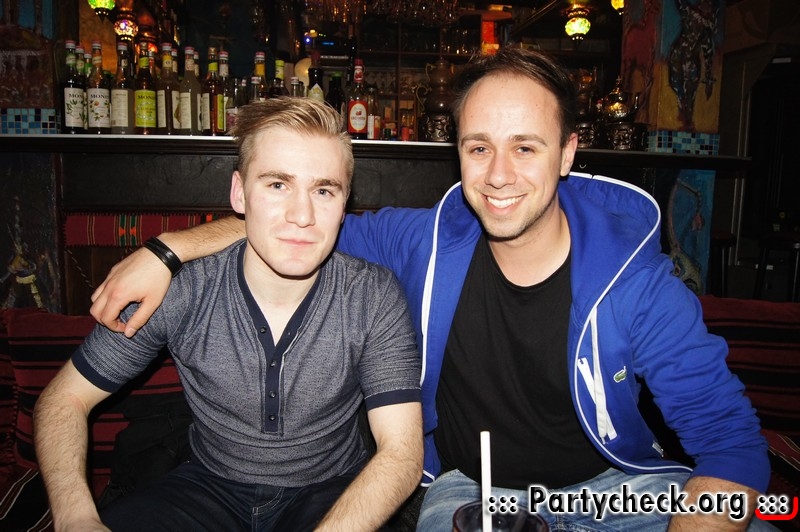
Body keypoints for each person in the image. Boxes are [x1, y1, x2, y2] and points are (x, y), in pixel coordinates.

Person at [88, 48, 770, 530]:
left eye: (526, 147)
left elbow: (733, 447)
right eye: (478, 147)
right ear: (458, 154)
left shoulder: (638, 283)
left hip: (618, 493)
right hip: (473, 494)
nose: (498, 174)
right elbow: (295, 223)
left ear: (567, 153)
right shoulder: (422, 243)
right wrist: (168, 250)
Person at [34, 98, 423, 532]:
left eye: (323, 191)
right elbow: (64, 399)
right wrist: (76, 517)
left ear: (345, 201)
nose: (302, 216)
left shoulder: (372, 295)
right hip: (206, 486)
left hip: (332, 491)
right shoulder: (180, 289)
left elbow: (402, 452)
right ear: (239, 192)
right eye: (277, 185)